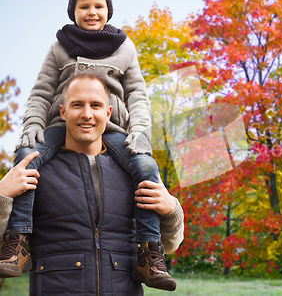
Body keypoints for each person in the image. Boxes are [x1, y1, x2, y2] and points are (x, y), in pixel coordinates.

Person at [0, 0, 172, 290]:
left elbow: (137, 94)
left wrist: (141, 134)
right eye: (84, 6)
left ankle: (150, 254)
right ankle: (17, 242)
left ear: (108, 11)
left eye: (98, 6)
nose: (92, 12)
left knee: (147, 166)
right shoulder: (59, 47)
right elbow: (40, 92)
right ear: (73, 12)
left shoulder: (124, 46)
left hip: (120, 132)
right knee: (26, 158)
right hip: (54, 131)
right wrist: (32, 127)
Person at [0, 74, 183, 295]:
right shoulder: (32, 169)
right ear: (63, 112)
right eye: (77, 105)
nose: (87, 114)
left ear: (108, 113)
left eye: (95, 105)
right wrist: (2, 195)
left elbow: (170, 245)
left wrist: (172, 210)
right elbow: (7, 249)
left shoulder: (135, 171)